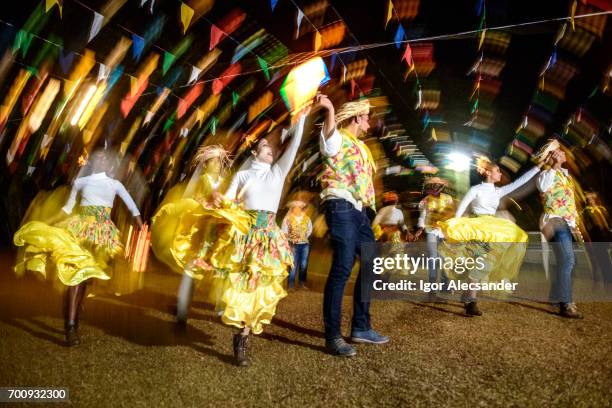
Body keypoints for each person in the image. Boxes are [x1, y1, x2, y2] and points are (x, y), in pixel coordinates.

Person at [202, 108, 309, 366]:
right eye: (264, 145)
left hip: (268, 240)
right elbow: (228, 200)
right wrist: (218, 198)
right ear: (254, 152)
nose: (269, 148)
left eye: (271, 147)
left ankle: (242, 340)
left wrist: (302, 118)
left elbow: (293, 146)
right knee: (241, 288)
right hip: (245, 238)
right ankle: (239, 330)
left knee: (258, 291)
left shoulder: (277, 173)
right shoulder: (242, 175)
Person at [13, 150, 143, 346]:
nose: (102, 162)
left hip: (101, 237)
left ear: (110, 166)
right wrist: (50, 222)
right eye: (98, 159)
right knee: (77, 276)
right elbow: (67, 208)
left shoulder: (115, 185)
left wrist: (141, 227)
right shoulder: (81, 183)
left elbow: (132, 207)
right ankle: (71, 326)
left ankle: (75, 310)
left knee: (86, 278)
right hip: (79, 230)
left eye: (105, 160)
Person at [317, 95, 388, 358]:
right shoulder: (337, 139)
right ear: (358, 117)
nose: (370, 122)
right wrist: (330, 109)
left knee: (373, 263)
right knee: (343, 266)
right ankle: (332, 336)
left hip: (359, 211)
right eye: (367, 117)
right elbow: (330, 136)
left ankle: (361, 326)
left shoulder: (361, 146)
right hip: (340, 205)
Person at [438, 157, 540, 316]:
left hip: (493, 229)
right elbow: (460, 211)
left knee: (485, 263)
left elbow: (519, 182)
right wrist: (453, 228)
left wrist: (537, 167)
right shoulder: (475, 190)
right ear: (488, 172)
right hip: (477, 228)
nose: (500, 173)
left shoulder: (498, 191)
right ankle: (469, 298)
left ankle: (469, 296)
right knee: (476, 263)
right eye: (498, 170)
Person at [150, 145, 232, 325]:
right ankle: (183, 310)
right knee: (192, 271)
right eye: (214, 161)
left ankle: (222, 307)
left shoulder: (227, 182)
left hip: (221, 231)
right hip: (203, 232)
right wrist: (207, 203)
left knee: (223, 269)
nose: (218, 164)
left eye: (220, 161)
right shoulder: (202, 180)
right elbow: (195, 200)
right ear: (206, 164)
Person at [535, 139, 584, 318]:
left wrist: (575, 225)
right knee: (568, 260)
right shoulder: (545, 174)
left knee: (567, 261)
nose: (562, 153)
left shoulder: (565, 175)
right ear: (550, 157)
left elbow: (570, 204)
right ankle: (566, 304)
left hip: (567, 223)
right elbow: (544, 187)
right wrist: (554, 165)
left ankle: (556, 297)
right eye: (558, 152)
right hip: (555, 221)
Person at [414, 177, 454, 300]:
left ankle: (446, 284)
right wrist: (420, 229)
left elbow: (452, 215)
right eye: (432, 186)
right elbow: (422, 216)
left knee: (445, 258)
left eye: (436, 186)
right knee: (433, 258)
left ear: (440, 187)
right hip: (431, 231)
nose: (434, 188)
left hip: (444, 232)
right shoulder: (426, 200)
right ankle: (432, 289)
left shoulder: (448, 199)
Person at [281, 200, 313, 290]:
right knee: (293, 265)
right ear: (292, 209)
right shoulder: (288, 219)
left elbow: (310, 229)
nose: (297, 209)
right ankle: (290, 284)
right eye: (295, 208)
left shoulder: (307, 219)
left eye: (299, 208)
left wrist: (304, 236)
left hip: (304, 245)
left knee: (304, 264)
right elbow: (284, 231)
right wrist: (290, 239)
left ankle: (302, 283)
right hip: (293, 245)